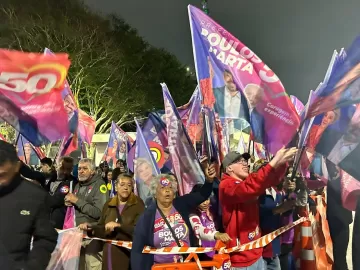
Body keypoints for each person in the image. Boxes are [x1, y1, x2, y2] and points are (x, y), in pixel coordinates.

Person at [219, 147, 296, 269]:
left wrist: (283, 163)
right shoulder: (225, 186)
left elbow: (271, 179)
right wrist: (275, 160)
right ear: (229, 168)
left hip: (257, 253)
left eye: (245, 161)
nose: (245, 164)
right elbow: (251, 186)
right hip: (241, 259)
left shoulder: (247, 181)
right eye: (239, 161)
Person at [131, 162, 216, 269]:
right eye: (162, 188)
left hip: (186, 264)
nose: (167, 190)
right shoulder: (146, 217)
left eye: (170, 188)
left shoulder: (181, 204)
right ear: (155, 193)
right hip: (160, 267)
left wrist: (209, 181)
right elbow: (137, 250)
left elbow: (202, 195)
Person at [0, 141, 58, 269]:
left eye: (3, 175)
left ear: (16, 167)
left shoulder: (34, 196)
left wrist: (33, 266)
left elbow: (46, 238)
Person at [90, 173, 145, 270]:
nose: (126, 188)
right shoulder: (108, 204)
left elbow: (140, 231)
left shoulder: (138, 204)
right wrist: (91, 228)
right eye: (122, 184)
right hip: (109, 251)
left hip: (128, 251)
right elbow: (101, 227)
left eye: (129, 185)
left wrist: (119, 226)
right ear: (116, 187)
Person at [65, 158, 109, 270]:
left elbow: (99, 213)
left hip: (92, 235)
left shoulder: (100, 185)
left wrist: (77, 201)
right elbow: (76, 205)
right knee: (78, 266)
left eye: (85, 168)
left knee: (92, 266)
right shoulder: (77, 185)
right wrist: (69, 203)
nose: (81, 171)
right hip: (76, 234)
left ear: (92, 171)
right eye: (79, 168)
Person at [189, 184, 231, 260]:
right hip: (204, 254)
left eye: (207, 199)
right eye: (201, 200)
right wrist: (217, 234)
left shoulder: (213, 209)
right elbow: (198, 229)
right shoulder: (193, 214)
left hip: (217, 250)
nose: (205, 203)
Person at [48, 156, 76, 229]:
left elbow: (55, 200)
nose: (65, 172)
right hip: (46, 219)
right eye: (62, 168)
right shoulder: (50, 178)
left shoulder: (70, 182)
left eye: (68, 169)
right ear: (57, 166)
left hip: (59, 222)